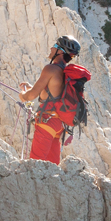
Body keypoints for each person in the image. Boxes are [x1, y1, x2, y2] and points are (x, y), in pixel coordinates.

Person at [19, 35, 82, 165]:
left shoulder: (51, 68)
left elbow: (30, 96)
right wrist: (33, 88)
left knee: (35, 165)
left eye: (54, 45)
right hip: (59, 125)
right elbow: (55, 93)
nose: (51, 48)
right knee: (51, 166)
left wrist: (23, 94)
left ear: (60, 51)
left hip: (47, 122)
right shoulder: (66, 72)